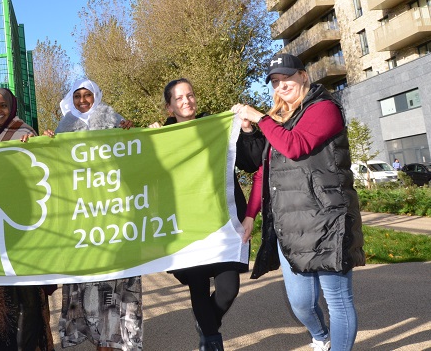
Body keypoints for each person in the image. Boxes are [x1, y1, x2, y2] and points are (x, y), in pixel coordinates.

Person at [232, 53, 365, 351]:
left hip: (328, 221)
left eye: (287, 78)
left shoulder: (325, 109)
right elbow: (262, 173)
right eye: (275, 82)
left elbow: (296, 146)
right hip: (290, 226)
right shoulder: (279, 120)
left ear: (304, 76)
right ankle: (320, 336)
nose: (281, 86)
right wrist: (252, 214)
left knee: (338, 300)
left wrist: (261, 118)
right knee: (301, 304)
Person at [149, 78, 258, 351]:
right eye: (179, 98)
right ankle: (211, 342)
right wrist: (150, 141)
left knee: (228, 288)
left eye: (190, 95)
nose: (187, 101)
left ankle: (206, 323)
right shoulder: (161, 137)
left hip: (222, 221)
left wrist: (244, 129)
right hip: (186, 227)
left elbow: (250, 162)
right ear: (169, 107)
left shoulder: (217, 127)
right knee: (198, 287)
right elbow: (146, 178)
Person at [44, 79, 141, 351]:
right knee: (88, 279)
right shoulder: (65, 127)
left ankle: (111, 338)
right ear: (71, 99)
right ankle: (96, 335)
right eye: (78, 96)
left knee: (114, 278)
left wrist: (129, 132)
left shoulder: (112, 118)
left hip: (112, 213)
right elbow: (56, 167)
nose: (83, 100)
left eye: (88, 95)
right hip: (81, 215)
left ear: (96, 96)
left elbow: (133, 155)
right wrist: (48, 144)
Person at [0, 87, 54, 351]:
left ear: (13, 108)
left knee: (27, 298)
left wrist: (45, 143)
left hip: (24, 231)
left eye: (3, 105)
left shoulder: (24, 134)